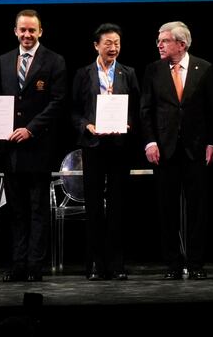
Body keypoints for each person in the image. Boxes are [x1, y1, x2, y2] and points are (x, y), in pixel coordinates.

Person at [0, 10, 68, 281]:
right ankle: (18, 265)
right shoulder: (3, 61)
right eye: (22, 30)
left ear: (40, 32)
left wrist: (31, 129)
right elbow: (0, 101)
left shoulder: (54, 61)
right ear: (15, 31)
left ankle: (35, 267)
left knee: (37, 210)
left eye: (31, 30)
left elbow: (57, 102)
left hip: (38, 148)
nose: (27, 35)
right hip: (11, 150)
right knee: (16, 212)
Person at [140, 20, 213, 279]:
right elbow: (146, 110)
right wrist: (150, 142)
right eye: (158, 40)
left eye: (164, 40)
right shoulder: (153, 70)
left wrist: (212, 142)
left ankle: (196, 264)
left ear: (181, 44)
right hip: (165, 150)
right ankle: (172, 264)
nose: (159, 44)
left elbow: (212, 110)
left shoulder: (204, 68)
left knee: (198, 210)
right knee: (167, 210)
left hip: (196, 151)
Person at [71, 23, 139, 280]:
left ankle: (117, 263)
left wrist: (129, 123)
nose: (113, 48)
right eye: (108, 43)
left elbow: (136, 106)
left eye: (117, 43)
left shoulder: (128, 72)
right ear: (96, 45)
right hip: (93, 146)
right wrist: (87, 125)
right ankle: (95, 264)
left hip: (120, 146)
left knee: (118, 207)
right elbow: (74, 111)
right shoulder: (83, 74)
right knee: (94, 207)